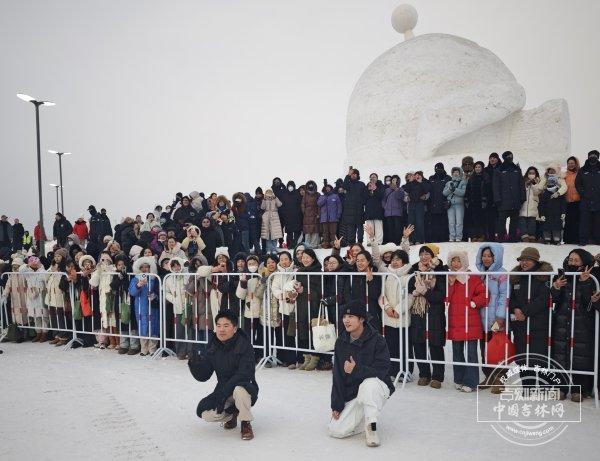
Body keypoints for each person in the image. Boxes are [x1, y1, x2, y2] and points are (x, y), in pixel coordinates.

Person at [328, 300, 394, 447]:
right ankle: (362, 419)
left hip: (377, 387)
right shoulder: (341, 342)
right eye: (344, 316)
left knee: (369, 384)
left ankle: (372, 427)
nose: (346, 320)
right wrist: (337, 405)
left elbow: (382, 370)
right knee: (335, 430)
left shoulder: (377, 340)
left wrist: (356, 370)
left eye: (351, 316)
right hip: (354, 393)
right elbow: (337, 376)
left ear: (362, 319)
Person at [188, 310, 258, 441]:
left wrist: (223, 394)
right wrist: (195, 364)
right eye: (218, 326)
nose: (221, 330)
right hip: (223, 390)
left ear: (234, 328)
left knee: (239, 390)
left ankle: (245, 422)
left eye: (226, 326)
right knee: (205, 413)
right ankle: (232, 415)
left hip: (245, 387)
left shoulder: (244, 345)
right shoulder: (213, 345)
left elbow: (244, 374)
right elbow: (204, 375)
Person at [551, 249, 599, 401]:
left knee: (581, 356)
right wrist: (556, 287)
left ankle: (579, 389)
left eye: (576, 260)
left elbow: (590, 302)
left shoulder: (593, 277)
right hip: (562, 320)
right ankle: (561, 387)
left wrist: (585, 283)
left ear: (584, 262)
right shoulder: (562, 275)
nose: (572, 263)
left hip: (583, 323)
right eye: (570, 259)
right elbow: (554, 300)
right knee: (561, 354)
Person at [509, 247, 553, 387]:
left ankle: (543, 386)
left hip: (538, 324)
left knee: (538, 357)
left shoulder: (544, 276)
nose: (524, 263)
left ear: (536, 261)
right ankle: (527, 386)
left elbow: (543, 299)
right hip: (520, 325)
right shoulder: (516, 277)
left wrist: (525, 312)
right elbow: (512, 298)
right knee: (522, 357)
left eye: (528, 260)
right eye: (522, 260)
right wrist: (515, 309)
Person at [446, 250, 487, 392]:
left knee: (471, 353)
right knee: (457, 352)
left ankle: (471, 382)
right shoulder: (449, 277)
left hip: (471, 321)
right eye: (453, 261)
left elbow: (484, 294)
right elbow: (446, 298)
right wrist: (451, 284)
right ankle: (459, 379)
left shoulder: (473, 278)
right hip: (455, 321)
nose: (456, 264)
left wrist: (474, 302)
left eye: (459, 261)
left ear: (464, 262)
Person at [407, 244, 447, 388]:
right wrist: (416, 290)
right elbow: (409, 287)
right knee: (418, 342)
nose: (424, 257)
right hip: (417, 311)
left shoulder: (440, 270)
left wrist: (425, 291)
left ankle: (437, 376)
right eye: (421, 254)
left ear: (433, 255)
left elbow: (441, 295)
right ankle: (424, 374)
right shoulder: (414, 269)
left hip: (434, 311)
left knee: (435, 343)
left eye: (427, 254)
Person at [475, 243, 507, 393]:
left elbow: (504, 296)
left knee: (498, 349)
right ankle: (489, 376)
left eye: (489, 256)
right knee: (485, 349)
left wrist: (500, 317)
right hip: (482, 319)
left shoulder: (502, 274)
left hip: (496, 319)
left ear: (496, 257)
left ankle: (500, 378)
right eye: (484, 255)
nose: (486, 258)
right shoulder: (481, 274)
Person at [129, 256, 160, 356]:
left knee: (153, 326)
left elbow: (159, 292)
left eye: (146, 267)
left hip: (152, 307)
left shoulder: (155, 279)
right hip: (140, 307)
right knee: (143, 326)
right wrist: (138, 285)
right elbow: (132, 292)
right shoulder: (135, 279)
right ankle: (144, 348)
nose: (144, 269)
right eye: (142, 267)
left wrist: (155, 296)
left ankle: (152, 348)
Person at [493, 151, 525, 242]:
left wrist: (522, 197)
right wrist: (497, 198)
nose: (510, 158)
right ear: (504, 157)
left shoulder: (517, 169)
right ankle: (501, 238)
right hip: (503, 201)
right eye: (508, 156)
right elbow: (496, 186)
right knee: (501, 221)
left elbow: (521, 184)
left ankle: (512, 238)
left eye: (511, 156)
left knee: (514, 221)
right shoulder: (499, 170)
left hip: (515, 200)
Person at [575, 150, 600, 245]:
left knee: (598, 222)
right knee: (584, 222)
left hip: (598, 201)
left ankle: (597, 240)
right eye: (591, 156)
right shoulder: (582, 170)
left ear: (598, 157)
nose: (593, 157)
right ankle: (583, 240)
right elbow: (578, 184)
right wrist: (583, 193)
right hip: (585, 201)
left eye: (595, 156)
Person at [538, 166, 567, 244]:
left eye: (552, 182)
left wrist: (563, 212)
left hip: (557, 214)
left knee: (557, 227)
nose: (551, 184)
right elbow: (541, 205)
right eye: (549, 182)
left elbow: (563, 203)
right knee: (546, 226)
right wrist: (541, 214)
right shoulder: (545, 193)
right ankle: (547, 239)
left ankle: (557, 239)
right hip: (547, 214)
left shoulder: (560, 193)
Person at [464, 161, 491, 242]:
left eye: (479, 167)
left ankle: (482, 235)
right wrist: (466, 200)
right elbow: (468, 190)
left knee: (482, 219)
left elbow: (488, 190)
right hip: (473, 202)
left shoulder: (486, 177)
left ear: (482, 168)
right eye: (476, 167)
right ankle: (474, 235)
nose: (477, 168)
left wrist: (486, 200)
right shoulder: (472, 178)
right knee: (473, 220)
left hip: (482, 202)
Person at [340, 167, 367, 245]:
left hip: (359, 209)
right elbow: (344, 186)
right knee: (351, 228)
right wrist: (347, 175)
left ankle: (360, 242)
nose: (354, 175)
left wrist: (362, 203)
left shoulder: (361, 184)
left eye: (355, 174)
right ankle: (351, 243)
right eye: (352, 174)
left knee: (360, 227)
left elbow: (365, 195)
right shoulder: (348, 184)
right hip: (349, 210)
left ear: (357, 175)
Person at [427, 163, 451, 243]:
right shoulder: (431, 178)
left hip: (444, 204)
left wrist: (448, 201)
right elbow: (429, 190)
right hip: (433, 205)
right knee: (435, 223)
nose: (438, 170)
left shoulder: (448, 178)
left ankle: (444, 238)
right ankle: (435, 239)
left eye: (440, 168)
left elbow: (450, 190)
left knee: (444, 222)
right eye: (436, 169)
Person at [518, 166, 543, 242]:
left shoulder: (539, 181)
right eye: (530, 173)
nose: (531, 174)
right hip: (524, 203)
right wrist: (526, 185)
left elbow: (537, 192)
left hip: (533, 203)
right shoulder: (523, 180)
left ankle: (532, 236)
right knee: (522, 220)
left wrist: (534, 184)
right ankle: (524, 236)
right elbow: (521, 191)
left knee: (532, 221)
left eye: (533, 173)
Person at [404, 171, 429, 244]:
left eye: (418, 175)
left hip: (420, 204)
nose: (416, 177)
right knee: (411, 222)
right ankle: (411, 240)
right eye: (415, 175)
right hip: (411, 204)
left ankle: (420, 239)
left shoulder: (423, 183)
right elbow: (406, 190)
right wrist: (410, 181)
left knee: (419, 222)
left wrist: (421, 182)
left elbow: (426, 191)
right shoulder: (410, 184)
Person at [443, 167, 467, 242]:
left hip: (459, 205)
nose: (455, 173)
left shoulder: (463, 182)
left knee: (459, 222)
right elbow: (444, 193)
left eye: (457, 172)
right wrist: (450, 189)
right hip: (450, 205)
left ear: (460, 173)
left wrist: (454, 190)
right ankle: (452, 236)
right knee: (451, 222)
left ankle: (459, 237)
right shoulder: (448, 183)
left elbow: (463, 193)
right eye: (454, 172)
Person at [382, 175, 405, 244]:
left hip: (397, 212)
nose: (394, 181)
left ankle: (397, 242)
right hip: (388, 213)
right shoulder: (387, 190)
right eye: (393, 180)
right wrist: (385, 207)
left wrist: (396, 189)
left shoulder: (400, 189)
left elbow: (400, 197)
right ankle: (391, 242)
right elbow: (383, 200)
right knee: (390, 228)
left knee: (398, 228)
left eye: (395, 180)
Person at [317, 183, 342, 249]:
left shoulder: (335, 196)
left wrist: (338, 215)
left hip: (333, 218)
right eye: (326, 188)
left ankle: (333, 244)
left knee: (333, 232)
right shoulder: (322, 196)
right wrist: (325, 198)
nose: (327, 189)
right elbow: (319, 204)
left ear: (331, 188)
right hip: (324, 218)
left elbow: (339, 206)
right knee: (325, 232)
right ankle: (326, 244)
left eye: (329, 188)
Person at [563, 156, 581, 244]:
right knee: (568, 220)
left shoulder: (579, 173)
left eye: (572, 163)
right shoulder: (564, 175)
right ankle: (568, 239)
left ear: (576, 164)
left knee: (576, 220)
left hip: (577, 200)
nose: (571, 165)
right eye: (569, 163)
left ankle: (576, 239)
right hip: (567, 201)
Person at [279, 181, 303, 249]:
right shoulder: (285, 195)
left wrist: (299, 213)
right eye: (289, 186)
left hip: (296, 216)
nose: (290, 187)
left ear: (294, 186)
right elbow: (282, 206)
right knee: (289, 232)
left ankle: (295, 243)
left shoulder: (297, 194)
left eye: (291, 186)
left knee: (297, 231)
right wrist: (284, 214)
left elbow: (300, 205)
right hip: (287, 217)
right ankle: (290, 244)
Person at [484, 153, 502, 239]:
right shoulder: (486, 170)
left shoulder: (501, 168)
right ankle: (490, 236)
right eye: (490, 158)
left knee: (499, 218)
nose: (492, 159)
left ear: (497, 159)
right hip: (489, 197)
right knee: (489, 218)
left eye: (494, 158)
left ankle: (500, 235)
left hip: (499, 196)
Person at [364, 173, 385, 245]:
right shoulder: (367, 186)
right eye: (371, 177)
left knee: (378, 226)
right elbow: (364, 198)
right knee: (369, 226)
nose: (372, 178)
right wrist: (368, 191)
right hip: (369, 209)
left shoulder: (380, 186)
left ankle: (378, 241)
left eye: (374, 177)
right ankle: (370, 241)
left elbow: (381, 195)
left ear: (377, 178)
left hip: (378, 209)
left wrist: (375, 189)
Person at [260, 189, 283, 253]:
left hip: (274, 217)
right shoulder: (265, 199)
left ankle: (274, 249)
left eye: (270, 193)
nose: (269, 194)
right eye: (267, 193)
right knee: (268, 235)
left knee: (275, 235)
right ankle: (268, 249)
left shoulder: (275, 199)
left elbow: (280, 204)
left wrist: (275, 198)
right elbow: (262, 207)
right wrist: (264, 199)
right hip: (266, 217)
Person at [301, 180, 321, 248]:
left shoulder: (317, 194)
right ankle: (307, 245)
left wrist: (319, 213)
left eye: (312, 185)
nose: (310, 186)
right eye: (309, 185)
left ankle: (314, 244)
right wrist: (304, 211)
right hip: (307, 215)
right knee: (307, 230)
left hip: (315, 213)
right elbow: (303, 204)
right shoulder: (305, 195)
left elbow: (319, 205)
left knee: (315, 229)